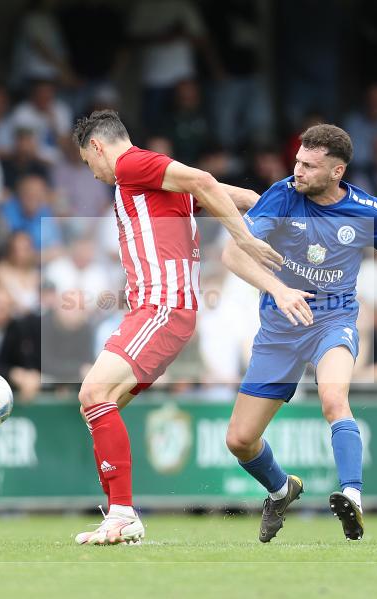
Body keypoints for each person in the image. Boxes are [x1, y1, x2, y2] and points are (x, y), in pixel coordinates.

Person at [219, 124, 377, 543]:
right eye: (297, 161)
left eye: (308, 165)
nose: (297, 170)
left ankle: (353, 497)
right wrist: (279, 289)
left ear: (336, 171)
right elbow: (232, 253)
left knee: (334, 397)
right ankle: (281, 490)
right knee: (240, 440)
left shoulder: (366, 208)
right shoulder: (282, 196)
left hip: (333, 320)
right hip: (282, 326)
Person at [70, 109, 280, 546]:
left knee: (93, 394)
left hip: (161, 309)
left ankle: (123, 514)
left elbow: (205, 180)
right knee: (98, 406)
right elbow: (232, 193)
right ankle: (120, 513)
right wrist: (277, 209)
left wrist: (243, 238)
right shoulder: (159, 185)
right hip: (160, 311)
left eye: (88, 164)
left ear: (97, 147)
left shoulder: (130, 164)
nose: (92, 175)